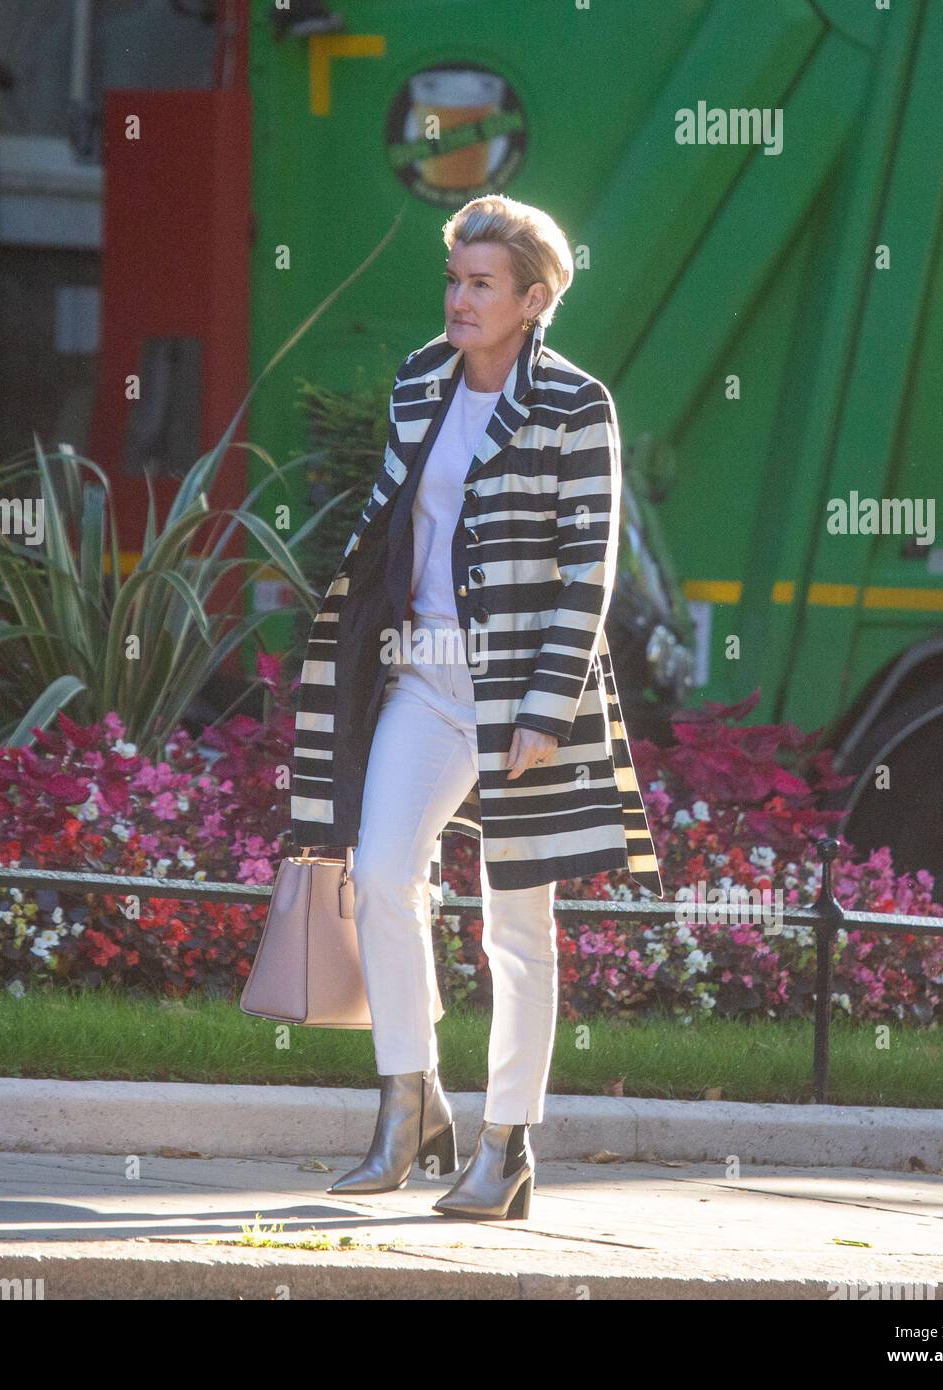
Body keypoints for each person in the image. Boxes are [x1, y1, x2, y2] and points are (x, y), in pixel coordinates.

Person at [291, 194, 664, 1220]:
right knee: (378, 876)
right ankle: (407, 1101)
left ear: (532, 298)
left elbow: (588, 569)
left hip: (522, 693)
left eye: (479, 283)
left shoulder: (576, 406)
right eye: (452, 278)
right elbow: (395, 516)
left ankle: (506, 1143)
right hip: (422, 672)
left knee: (516, 923)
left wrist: (546, 709)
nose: (457, 298)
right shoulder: (421, 378)